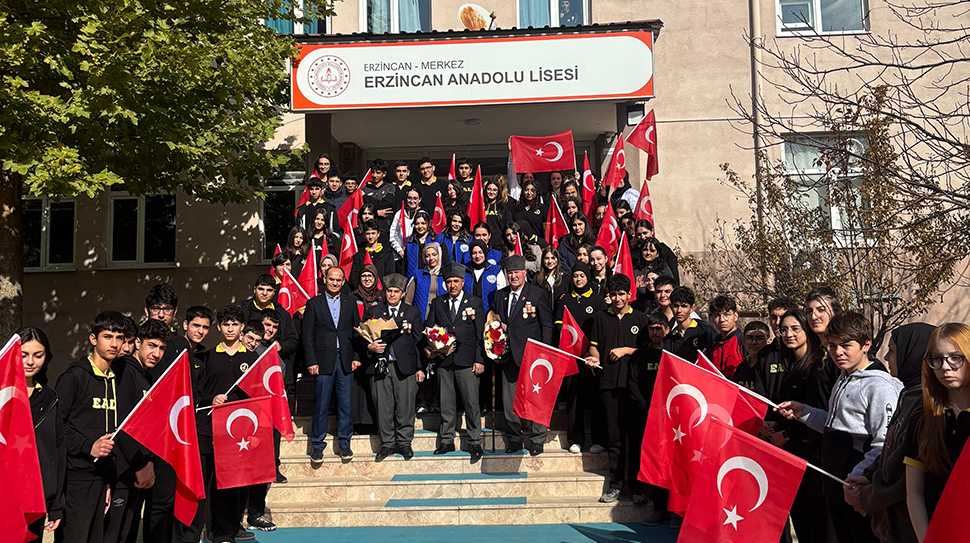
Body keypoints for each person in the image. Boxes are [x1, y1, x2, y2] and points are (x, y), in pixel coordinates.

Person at [779, 311, 902, 543]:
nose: (838, 352)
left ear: (866, 345)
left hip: (858, 488)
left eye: (846, 345)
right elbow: (835, 425)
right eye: (832, 346)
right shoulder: (844, 377)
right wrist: (804, 412)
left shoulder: (879, 386)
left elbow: (884, 441)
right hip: (835, 483)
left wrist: (859, 477)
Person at [850, 323, 933, 543]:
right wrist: (868, 475)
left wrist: (866, 497)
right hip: (891, 527)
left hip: (910, 529)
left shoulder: (925, 406)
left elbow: (902, 476)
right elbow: (890, 447)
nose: (886, 357)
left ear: (914, 355)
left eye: (892, 351)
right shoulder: (907, 395)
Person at [757, 308, 831, 543]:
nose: (789, 334)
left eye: (795, 329)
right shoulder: (790, 364)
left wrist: (788, 434)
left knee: (814, 521)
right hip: (791, 453)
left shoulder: (817, 366)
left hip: (811, 455)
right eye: (784, 330)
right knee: (798, 516)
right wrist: (773, 423)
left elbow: (820, 412)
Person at [54, 311, 126, 543]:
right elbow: (57, 428)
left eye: (119, 338)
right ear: (93, 339)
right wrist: (88, 447)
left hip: (102, 478)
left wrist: (108, 480)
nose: (114, 344)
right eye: (108, 337)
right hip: (76, 478)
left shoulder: (115, 378)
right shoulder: (74, 377)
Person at [187, 305, 256, 543]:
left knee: (229, 485)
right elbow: (198, 393)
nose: (230, 329)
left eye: (235, 324)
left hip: (237, 434)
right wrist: (211, 399)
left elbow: (257, 396)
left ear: (242, 327)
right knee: (202, 483)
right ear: (219, 327)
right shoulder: (207, 356)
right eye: (226, 324)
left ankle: (225, 534)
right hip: (207, 428)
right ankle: (193, 534)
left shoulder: (252, 358)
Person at [585, 274, 648, 504]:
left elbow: (648, 351)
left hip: (635, 388)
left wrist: (625, 350)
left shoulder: (641, 319)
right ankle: (616, 485)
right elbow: (594, 347)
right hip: (608, 384)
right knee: (614, 438)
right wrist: (593, 357)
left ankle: (638, 488)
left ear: (629, 294)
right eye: (613, 294)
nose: (618, 298)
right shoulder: (600, 318)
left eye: (621, 294)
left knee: (636, 438)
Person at [904, 323, 970, 542]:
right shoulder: (923, 418)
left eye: (955, 358)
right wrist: (927, 538)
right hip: (937, 531)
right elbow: (914, 491)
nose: (945, 367)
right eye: (936, 359)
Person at [107, 319, 171, 543]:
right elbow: (123, 425)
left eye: (162, 348)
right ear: (137, 343)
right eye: (151, 345)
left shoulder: (147, 376)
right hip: (121, 472)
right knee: (113, 534)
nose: (157, 353)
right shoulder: (124, 370)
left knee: (128, 533)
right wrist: (140, 465)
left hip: (137, 470)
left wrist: (149, 461)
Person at [424, 262, 486, 464]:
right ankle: (446, 440)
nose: (452, 285)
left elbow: (480, 333)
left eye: (456, 281)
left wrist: (479, 359)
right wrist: (429, 348)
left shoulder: (475, 302)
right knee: (446, 403)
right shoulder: (438, 303)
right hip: (444, 360)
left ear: (463, 282)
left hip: (467, 360)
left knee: (471, 403)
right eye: (449, 281)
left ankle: (475, 441)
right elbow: (429, 328)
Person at [492, 255, 553, 456]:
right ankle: (515, 439)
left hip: (533, 356)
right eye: (510, 273)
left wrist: (544, 352)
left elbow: (546, 325)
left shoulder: (537, 294)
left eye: (517, 272)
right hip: (508, 356)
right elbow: (494, 323)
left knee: (535, 398)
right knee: (509, 401)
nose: (513, 276)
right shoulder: (499, 296)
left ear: (524, 273)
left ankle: (537, 439)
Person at [364, 274, 426, 461]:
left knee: (406, 406)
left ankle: (405, 442)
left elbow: (418, 342)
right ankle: (387, 443)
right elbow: (362, 336)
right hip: (380, 366)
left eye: (396, 291)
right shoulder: (374, 311)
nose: (392, 294)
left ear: (403, 293)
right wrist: (370, 347)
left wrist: (419, 368)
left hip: (405, 367)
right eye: (389, 291)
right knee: (383, 406)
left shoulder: (412, 312)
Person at [303, 267, 361, 463]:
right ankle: (317, 445)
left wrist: (356, 356)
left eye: (338, 280)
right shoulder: (313, 303)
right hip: (322, 361)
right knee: (321, 404)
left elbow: (357, 332)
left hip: (345, 360)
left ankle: (345, 443)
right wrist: (311, 361)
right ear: (324, 279)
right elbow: (307, 336)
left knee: (346, 404)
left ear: (343, 282)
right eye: (331, 279)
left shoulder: (350, 302)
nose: (335, 283)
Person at [555, 262, 607, 454]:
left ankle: (598, 440)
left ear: (588, 277)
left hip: (592, 358)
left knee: (595, 399)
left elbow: (601, 328)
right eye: (575, 276)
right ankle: (575, 440)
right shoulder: (565, 300)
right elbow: (559, 326)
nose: (578, 279)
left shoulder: (598, 300)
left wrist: (591, 350)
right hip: (572, 358)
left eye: (582, 276)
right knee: (574, 399)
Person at [19, 327, 65, 540]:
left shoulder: (50, 398)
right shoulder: (3, 395)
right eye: (23, 355)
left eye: (38, 355)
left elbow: (58, 452)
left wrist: (56, 506)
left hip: (35, 499)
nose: (30, 362)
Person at [633, 313, 672, 524]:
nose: (655, 332)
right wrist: (646, 408)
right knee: (655, 461)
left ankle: (676, 510)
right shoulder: (640, 355)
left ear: (667, 329)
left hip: (673, 419)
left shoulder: (673, 353)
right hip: (648, 416)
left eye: (659, 328)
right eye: (651, 329)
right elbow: (633, 382)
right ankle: (659, 508)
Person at [667, 286, 717, 363]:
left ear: (692, 308)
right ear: (671, 307)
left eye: (684, 306)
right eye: (676, 306)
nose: (679, 310)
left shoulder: (705, 331)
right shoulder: (669, 337)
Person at [708, 294, 745, 379]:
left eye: (726, 315)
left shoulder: (743, 341)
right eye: (717, 316)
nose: (721, 320)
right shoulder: (713, 343)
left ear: (735, 316)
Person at [406, 242, 446, 322]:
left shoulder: (445, 275)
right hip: (420, 320)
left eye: (434, 254)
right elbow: (408, 300)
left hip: (440, 321)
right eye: (427, 256)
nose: (431, 258)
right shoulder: (418, 275)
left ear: (439, 255)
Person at [463, 239, 505, 314]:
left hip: (490, 314)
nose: (477, 256)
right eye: (474, 253)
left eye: (480, 252)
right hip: (469, 314)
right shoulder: (465, 271)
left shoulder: (496, 271)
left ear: (485, 252)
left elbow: (502, 294)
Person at [404, 210, 446, 280]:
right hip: (413, 279)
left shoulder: (438, 239)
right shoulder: (409, 242)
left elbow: (446, 261)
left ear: (428, 224)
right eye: (417, 224)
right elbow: (404, 265)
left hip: (435, 278)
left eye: (423, 223)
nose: (420, 226)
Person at [351, 220, 396, 287]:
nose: (370, 237)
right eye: (368, 234)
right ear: (364, 235)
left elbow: (390, 275)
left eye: (373, 233)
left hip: (381, 290)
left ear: (378, 234)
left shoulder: (387, 254)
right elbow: (355, 275)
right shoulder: (360, 254)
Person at [732, 321, 769, 392]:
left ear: (768, 341)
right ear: (743, 341)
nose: (754, 342)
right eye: (749, 338)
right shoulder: (741, 368)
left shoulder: (770, 366)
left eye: (759, 338)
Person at [361, 158, 396, 231]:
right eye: (373, 172)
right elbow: (362, 209)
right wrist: (377, 212)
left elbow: (384, 204)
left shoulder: (390, 188)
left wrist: (365, 197)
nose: (374, 175)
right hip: (368, 229)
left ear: (384, 174)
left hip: (385, 227)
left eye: (378, 173)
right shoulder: (364, 189)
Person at [390, 188, 422, 264]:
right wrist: (399, 250)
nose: (412, 201)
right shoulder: (399, 214)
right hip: (400, 256)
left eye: (415, 198)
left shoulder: (422, 214)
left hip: (418, 256)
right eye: (409, 198)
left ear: (420, 199)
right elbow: (393, 235)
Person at [484, 177, 514, 250]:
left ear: (498, 192)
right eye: (489, 189)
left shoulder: (504, 207)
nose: (491, 192)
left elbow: (509, 226)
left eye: (494, 190)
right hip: (483, 244)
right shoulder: (481, 206)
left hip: (500, 245)